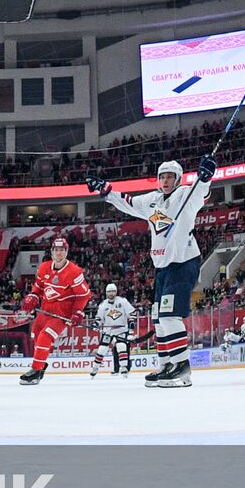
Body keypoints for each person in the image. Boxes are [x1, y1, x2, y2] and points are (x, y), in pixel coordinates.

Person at [87, 155, 216, 388]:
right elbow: (128, 203)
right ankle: (166, 364)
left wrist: (205, 177)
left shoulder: (184, 194)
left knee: (169, 316)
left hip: (182, 263)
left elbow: (202, 193)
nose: (166, 180)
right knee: (158, 319)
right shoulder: (152, 200)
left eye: (170, 177)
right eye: (162, 176)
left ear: (177, 179)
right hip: (162, 267)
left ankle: (182, 368)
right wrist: (106, 191)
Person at [18, 237, 92, 385]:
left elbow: (84, 295)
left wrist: (77, 312)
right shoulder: (44, 267)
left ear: (66, 252)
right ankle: (41, 366)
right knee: (36, 336)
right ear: (52, 251)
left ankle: (35, 370)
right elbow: (38, 287)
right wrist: (32, 296)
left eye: (62, 250)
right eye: (56, 250)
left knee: (45, 337)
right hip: (45, 310)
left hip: (61, 313)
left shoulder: (74, 272)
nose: (59, 253)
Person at [91, 282, 134, 377]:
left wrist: (131, 331)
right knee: (102, 349)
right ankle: (95, 368)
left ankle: (123, 368)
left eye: (113, 291)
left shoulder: (123, 301)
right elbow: (99, 318)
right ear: (106, 293)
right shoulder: (103, 304)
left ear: (116, 292)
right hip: (108, 330)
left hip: (121, 329)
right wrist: (96, 324)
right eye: (109, 292)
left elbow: (131, 314)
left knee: (121, 347)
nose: (111, 294)